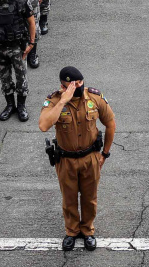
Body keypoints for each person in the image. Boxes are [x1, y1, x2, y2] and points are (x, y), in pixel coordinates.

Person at [39, 66, 116, 252]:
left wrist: (104, 153)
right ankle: (72, 231)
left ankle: (87, 230)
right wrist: (62, 101)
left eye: (80, 83)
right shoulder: (54, 100)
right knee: (69, 199)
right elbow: (43, 125)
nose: (79, 86)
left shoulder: (94, 98)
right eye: (73, 85)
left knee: (90, 198)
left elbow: (111, 123)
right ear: (63, 86)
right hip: (66, 160)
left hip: (90, 157)